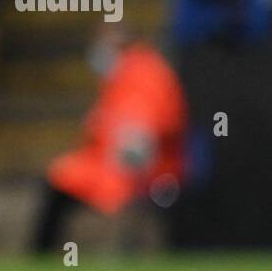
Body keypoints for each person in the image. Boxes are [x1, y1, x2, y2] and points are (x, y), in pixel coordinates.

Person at [31, 24, 187, 252]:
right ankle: (43, 253)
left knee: (64, 187)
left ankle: (44, 254)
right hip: (109, 165)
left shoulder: (142, 73)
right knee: (59, 182)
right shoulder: (127, 73)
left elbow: (139, 133)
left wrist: (128, 179)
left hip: (139, 170)